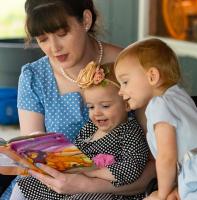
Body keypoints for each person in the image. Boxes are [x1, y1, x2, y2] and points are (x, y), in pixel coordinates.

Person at [0, 0, 156, 199]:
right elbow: (36, 166)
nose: (54, 48)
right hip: (50, 189)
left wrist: (88, 185)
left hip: (118, 190)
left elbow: (156, 164)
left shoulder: (130, 68)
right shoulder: (34, 77)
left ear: (86, 20)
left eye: (62, 34)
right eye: (43, 39)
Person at [10, 62, 149, 199]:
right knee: (26, 184)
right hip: (75, 179)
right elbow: (75, 152)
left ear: (126, 104)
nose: (97, 113)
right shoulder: (91, 127)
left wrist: (93, 173)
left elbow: (132, 168)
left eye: (105, 106)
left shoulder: (130, 131)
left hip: (107, 190)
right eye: (91, 107)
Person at [114, 38, 197, 200]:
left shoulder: (159, 105)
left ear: (152, 76)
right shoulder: (180, 96)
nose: (120, 91)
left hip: (194, 175)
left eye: (125, 82)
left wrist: (162, 194)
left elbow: (167, 157)